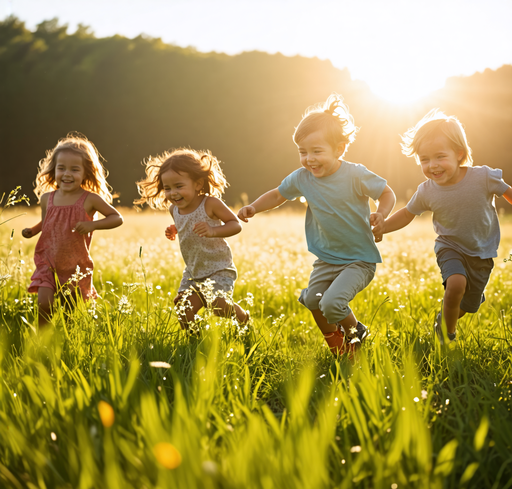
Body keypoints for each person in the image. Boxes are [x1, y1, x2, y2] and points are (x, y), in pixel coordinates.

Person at [238, 94, 396, 356]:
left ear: (339, 149)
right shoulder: (302, 178)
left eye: (317, 151)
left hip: (358, 259)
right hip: (326, 259)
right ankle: (337, 344)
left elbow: (387, 192)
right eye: (303, 152)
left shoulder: (355, 174)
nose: (309, 159)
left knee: (333, 304)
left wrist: (382, 214)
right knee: (313, 301)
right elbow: (278, 194)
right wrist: (254, 206)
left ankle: (356, 333)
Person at [378, 109, 512, 342]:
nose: (433, 165)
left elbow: (508, 193)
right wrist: (383, 227)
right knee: (456, 283)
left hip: (482, 253)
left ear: (459, 153)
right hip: (449, 246)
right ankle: (447, 339)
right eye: (424, 159)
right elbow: (407, 213)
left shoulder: (483, 177)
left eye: (440, 157)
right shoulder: (427, 190)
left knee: (466, 306)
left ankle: (442, 323)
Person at [135, 148, 249, 330]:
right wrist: (175, 229)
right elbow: (186, 225)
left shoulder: (210, 203)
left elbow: (235, 224)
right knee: (183, 308)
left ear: (197, 184)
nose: (173, 193)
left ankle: (242, 317)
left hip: (218, 267)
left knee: (218, 307)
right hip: (194, 270)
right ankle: (194, 345)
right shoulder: (174, 209)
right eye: (167, 188)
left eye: (179, 186)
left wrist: (213, 230)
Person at [22, 134, 124, 327]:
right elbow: (47, 222)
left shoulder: (89, 199)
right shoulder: (47, 198)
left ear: (86, 173)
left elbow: (117, 218)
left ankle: (67, 341)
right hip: (47, 259)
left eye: (74, 169)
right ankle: (42, 340)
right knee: (44, 303)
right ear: (54, 170)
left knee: (70, 310)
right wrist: (33, 230)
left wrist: (92, 225)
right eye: (61, 168)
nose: (67, 174)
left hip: (75, 263)